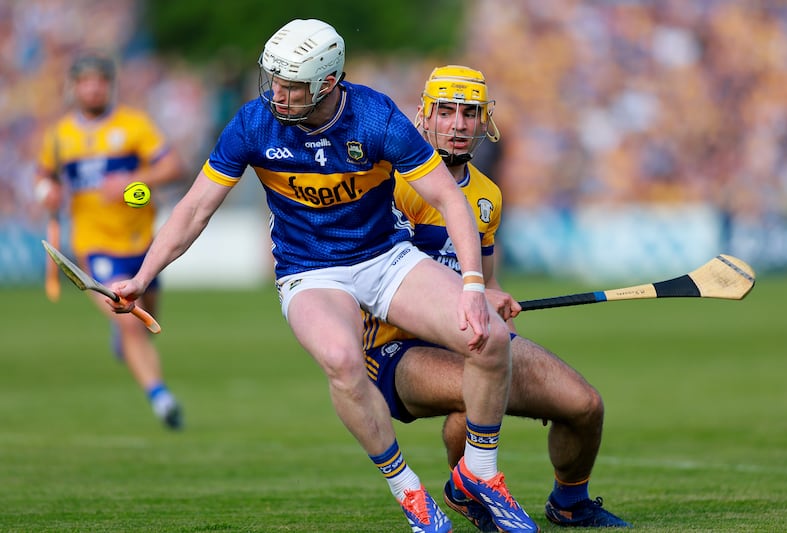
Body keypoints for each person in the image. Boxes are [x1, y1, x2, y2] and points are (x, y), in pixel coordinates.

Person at [107, 19, 537, 533]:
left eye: (292, 85)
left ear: (328, 83)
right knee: (340, 358)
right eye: (275, 81)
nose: (277, 94)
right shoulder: (253, 124)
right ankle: (412, 494)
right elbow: (195, 208)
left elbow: (449, 198)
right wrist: (142, 274)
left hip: (385, 259)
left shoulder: (376, 118)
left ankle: (481, 473)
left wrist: (474, 287)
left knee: (487, 336)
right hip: (309, 273)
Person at [363, 65, 631, 530]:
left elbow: (483, 282)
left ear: (485, 120)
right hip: (394, 348)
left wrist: (494, 298)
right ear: (424, 116)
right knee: (476, 396)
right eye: (446, 112)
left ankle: (570, 503)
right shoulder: (391, 181)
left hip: (463, 336)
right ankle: (473, 493)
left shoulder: (487, 195)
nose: (458, 125)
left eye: (469, 113)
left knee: (584, 405)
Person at [35, 53, 185, 430]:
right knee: (129, 321)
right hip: (95, 245)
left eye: (99, 81)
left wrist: (134, 181)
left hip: (141, 243)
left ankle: (129, 347)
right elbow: (44, 178)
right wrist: (46, 192)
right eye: (85, 81)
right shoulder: (59, 137)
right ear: (74, 87)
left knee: (150, 316)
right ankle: (161, 398)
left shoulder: (134, 126)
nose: (92, 88)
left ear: (109, 85)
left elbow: (173, 167)